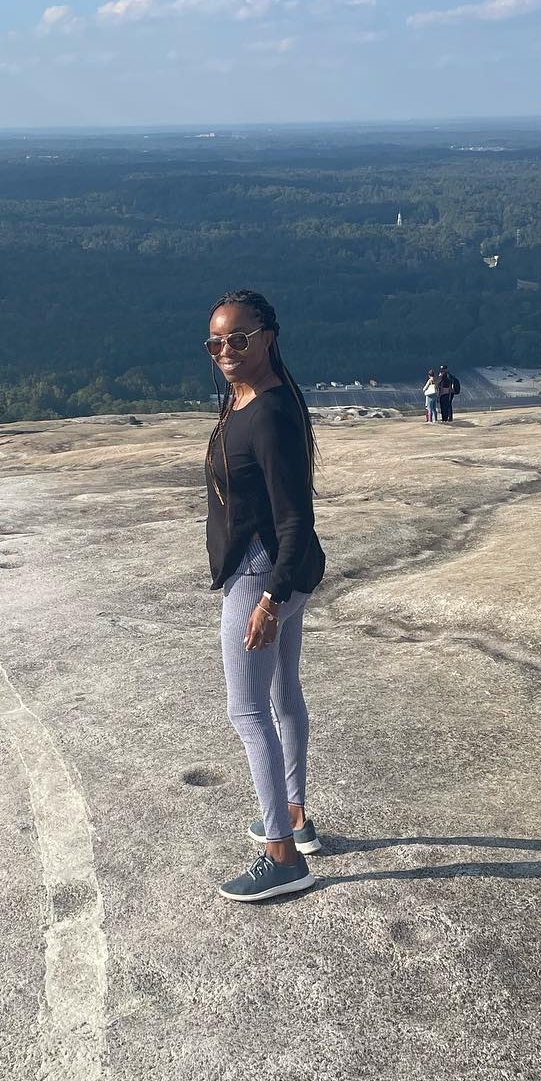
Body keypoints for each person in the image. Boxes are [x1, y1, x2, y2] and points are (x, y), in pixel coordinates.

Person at [205, 289, 326, 903]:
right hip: (281, 570)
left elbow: (295, 515)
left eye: (238, 338)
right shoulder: (251, 398)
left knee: (247, 710)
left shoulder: (270, 413)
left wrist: (270, 600)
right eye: (215, 343)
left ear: (267, 338)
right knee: (282, 693)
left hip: (263, 575)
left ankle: (281, 854)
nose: (226, 350)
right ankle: (295, 815)